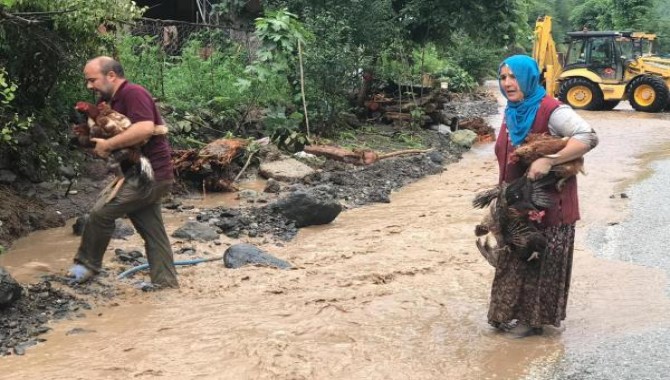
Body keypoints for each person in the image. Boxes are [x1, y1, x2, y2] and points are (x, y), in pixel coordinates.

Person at [488, 55, 598, 336]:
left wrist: (549, 160)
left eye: (513, 77)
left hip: (550, 209)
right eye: (503, 77)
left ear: (529, 78)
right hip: (516, 207)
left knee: (538, 264)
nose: (508, 83)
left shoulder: (552, 110)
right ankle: (507, 315)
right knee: (511, 261)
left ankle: (532, 323)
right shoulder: (512, 112)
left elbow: (588, 136)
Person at [68, 56, 179, 289]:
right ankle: (166, 285)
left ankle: (86, 266)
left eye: (92, 80)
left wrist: (108, 145)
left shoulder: (133, 93)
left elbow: (144, 128)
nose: (89, 86)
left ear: (111, 76)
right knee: (153, 232)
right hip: (139, 174)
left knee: (101, 213)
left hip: (150, 175)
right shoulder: (109, 102)